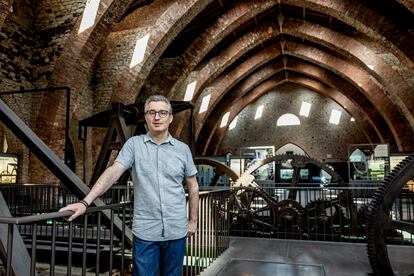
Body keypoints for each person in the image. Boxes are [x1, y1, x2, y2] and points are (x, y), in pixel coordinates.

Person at [60, 95, 199, 276]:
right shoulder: (134, 145)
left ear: (170, 118)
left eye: (163, 113)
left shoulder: (182, 149)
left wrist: (193, 221)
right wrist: (85, 202)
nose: (157, 117)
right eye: (152, 112)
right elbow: (113, 172)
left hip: (176, 230)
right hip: (146, 232)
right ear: (146, 117)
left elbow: (193, 186)